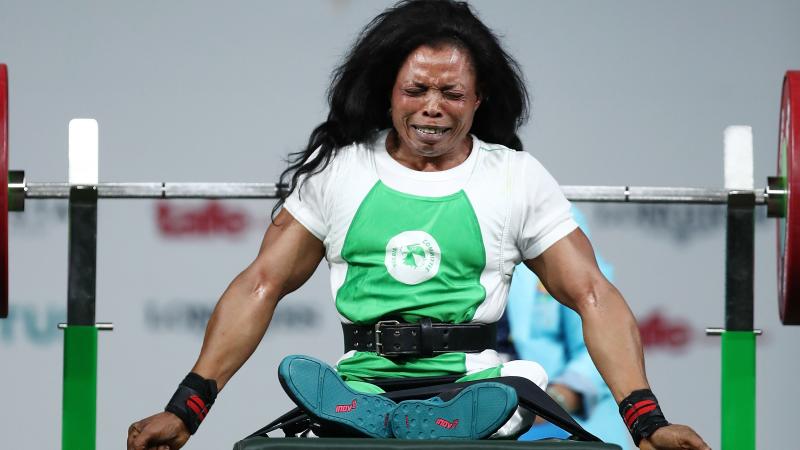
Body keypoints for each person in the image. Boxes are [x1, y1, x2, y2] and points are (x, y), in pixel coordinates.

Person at [127, 1, 711, 449]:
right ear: (389, 92)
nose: (433, 106)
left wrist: (646, 421)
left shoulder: (515, 177)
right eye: (417, 89)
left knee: (515, 390)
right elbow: (261, 285)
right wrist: (186, 409)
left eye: (452, 93)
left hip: (473, 389)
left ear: (480, 98)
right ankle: (384, 416)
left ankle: (440, 417)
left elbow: (591, 293)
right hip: (359, 387)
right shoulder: (339, 172)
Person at [498, 208, 631, 448]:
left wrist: (554, 400)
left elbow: (604, 333)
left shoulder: (549, 213)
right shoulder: (447, 219)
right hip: (474, 413)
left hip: (560, 421)